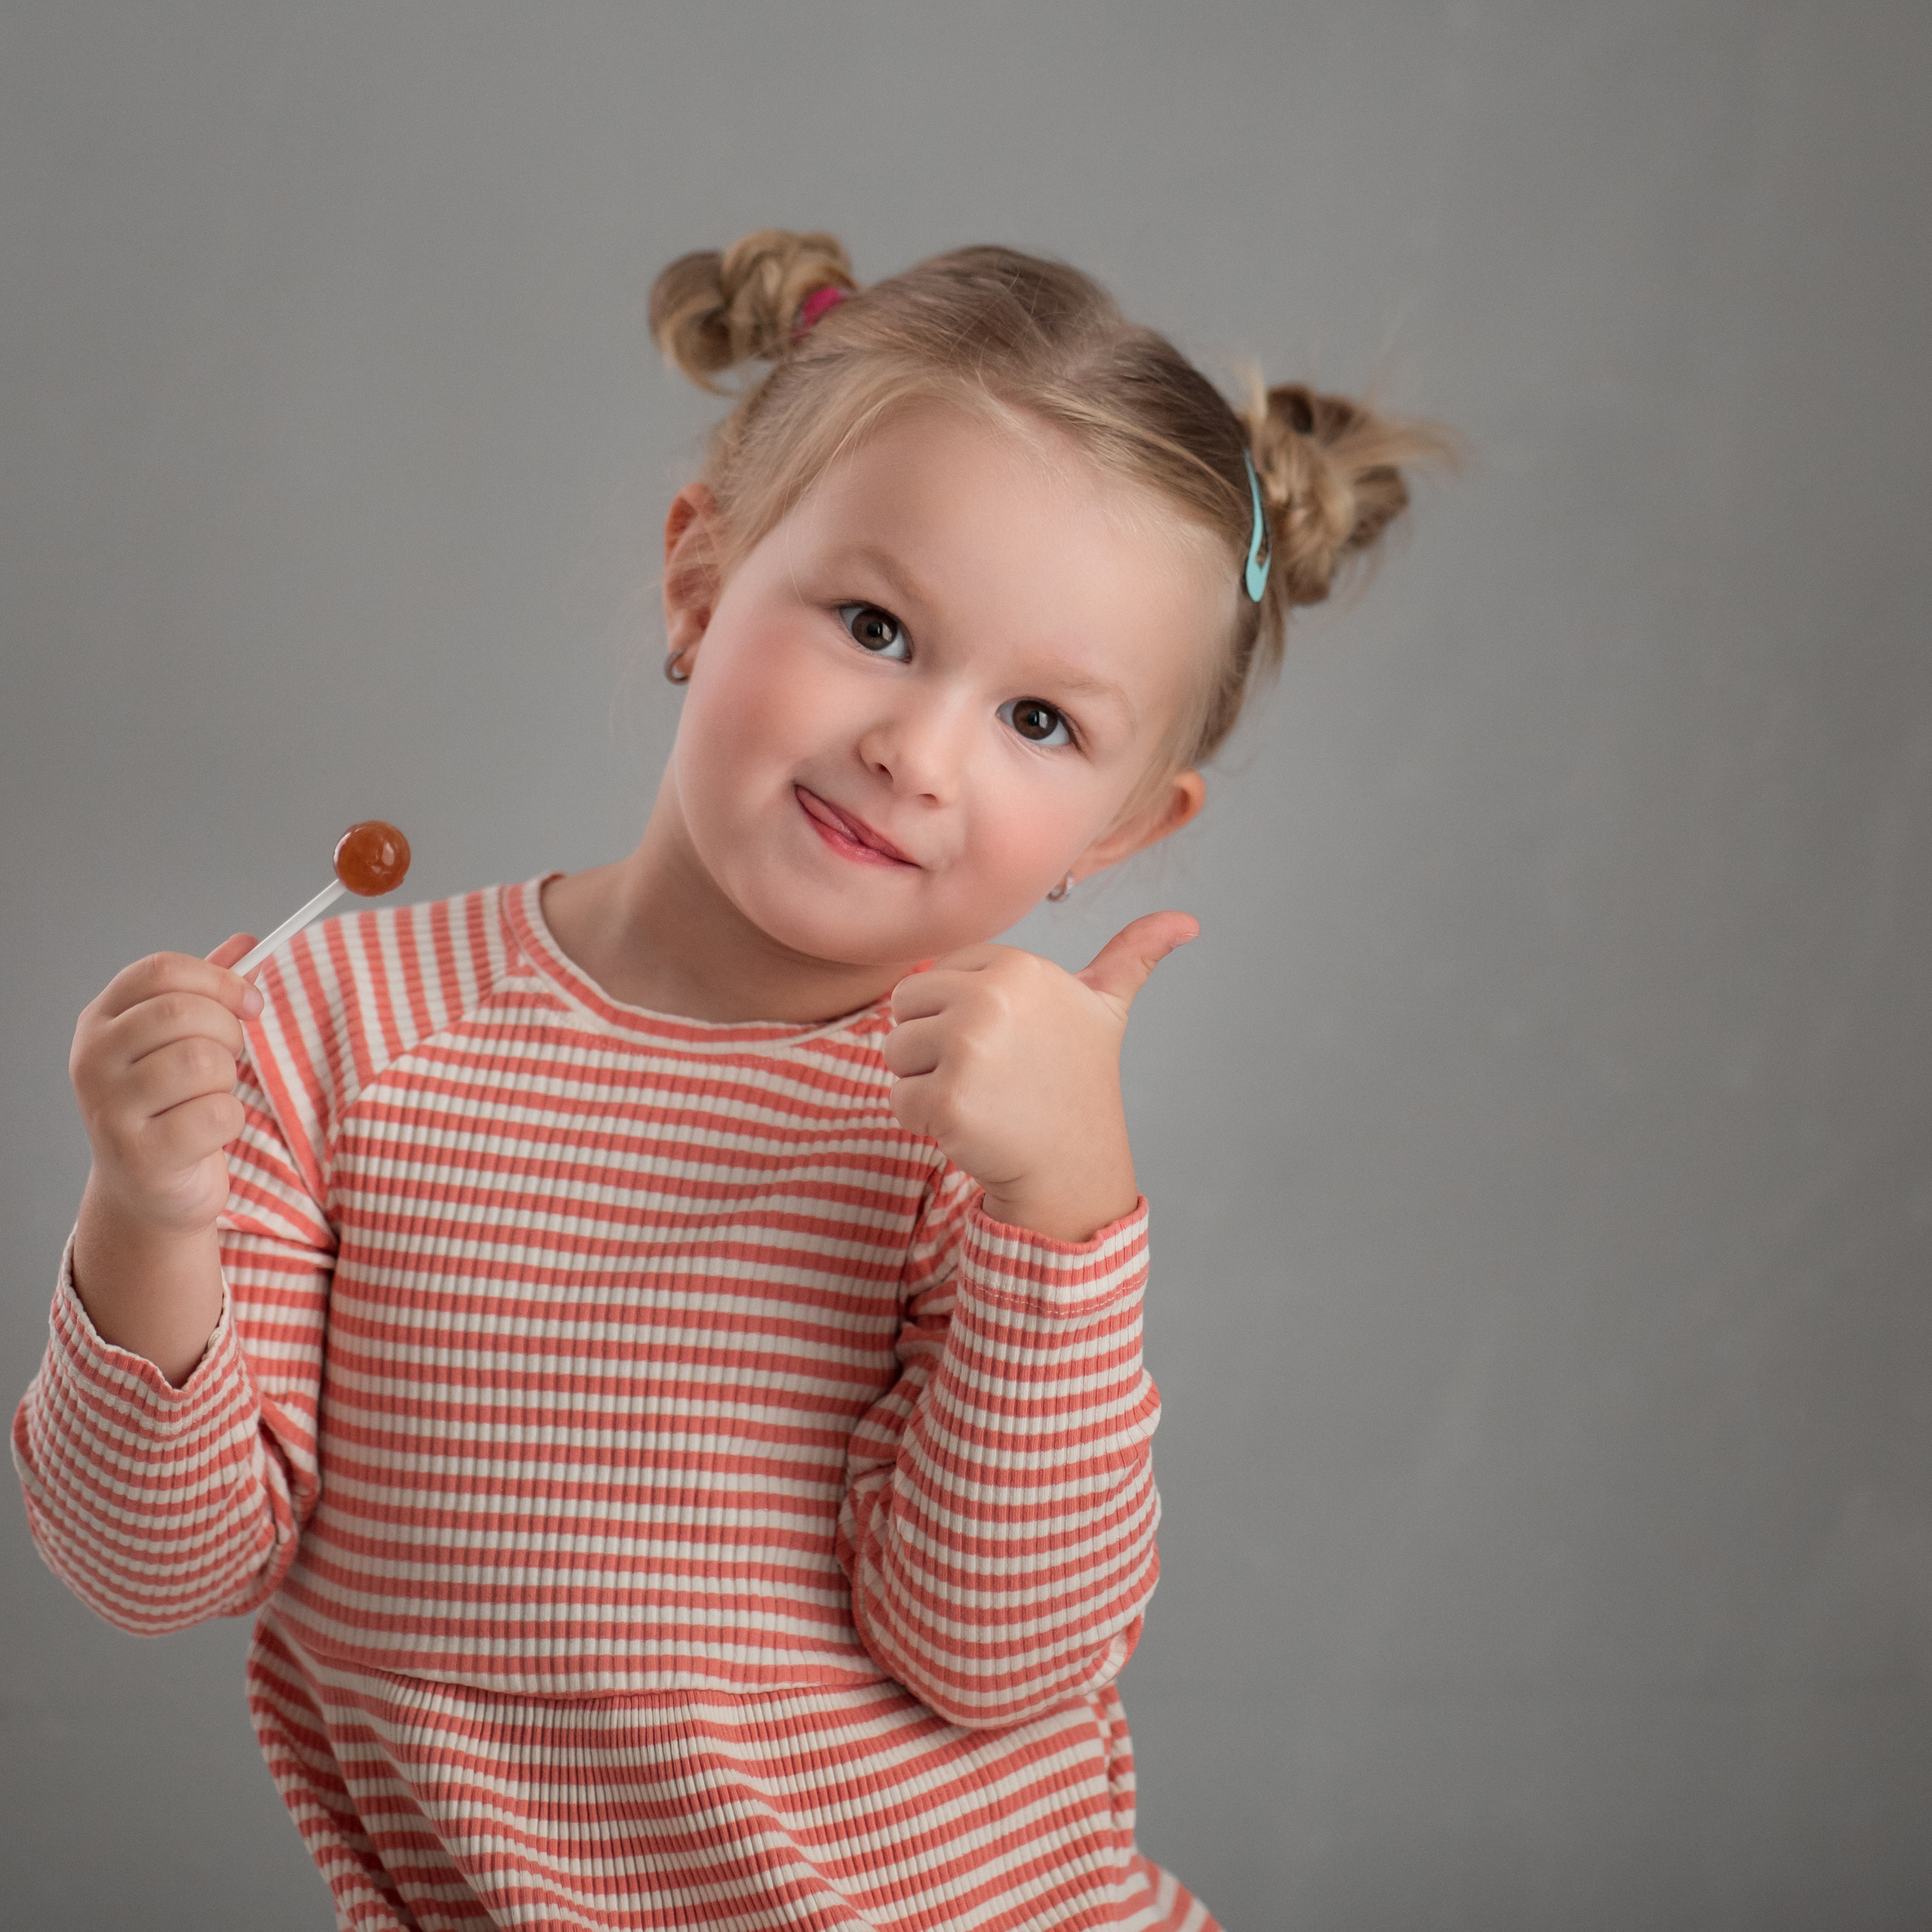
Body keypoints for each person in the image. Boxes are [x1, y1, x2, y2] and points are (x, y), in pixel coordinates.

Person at [14, 230, 1451, 1931]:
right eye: (871, 624)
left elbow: (990, 1653)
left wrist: (1062, 1213)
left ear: (1124, 832)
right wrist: (147, 1214)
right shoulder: (339, 1025)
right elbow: (154, 1565)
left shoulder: (981, 1132)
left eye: (1040, 723)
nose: (912, 751)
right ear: (700, 578)